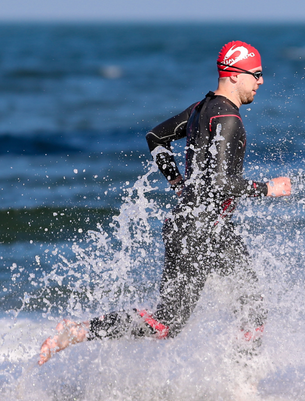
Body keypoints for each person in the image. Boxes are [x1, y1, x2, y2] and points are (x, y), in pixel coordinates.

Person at [39, 41, 292, 366]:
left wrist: (176, 181)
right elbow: (218, 184)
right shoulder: (228, 119)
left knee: (252, 309)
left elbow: (156, 138)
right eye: (256, 74)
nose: (261, 81)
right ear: (234, 74)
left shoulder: (202, 108)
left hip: (206, 228)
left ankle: (242, 382)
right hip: (197, 233)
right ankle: (79, 331)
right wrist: (267, 188)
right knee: (166, 323)